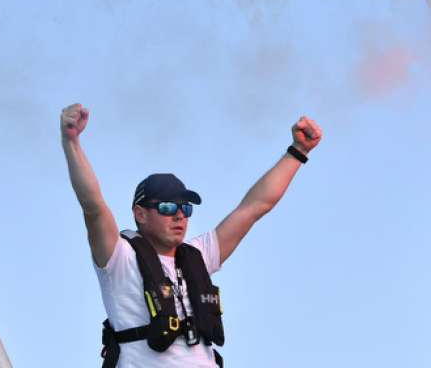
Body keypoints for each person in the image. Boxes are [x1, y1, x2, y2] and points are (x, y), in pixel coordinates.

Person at [59, 102, 324, 368]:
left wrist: (298, 152)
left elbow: (254, 207)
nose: (179, 216)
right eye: (167, 207)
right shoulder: (119, 258)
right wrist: (71, 142)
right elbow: (92, 205)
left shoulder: (198, 255)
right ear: (140, 214)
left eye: (185, 208)